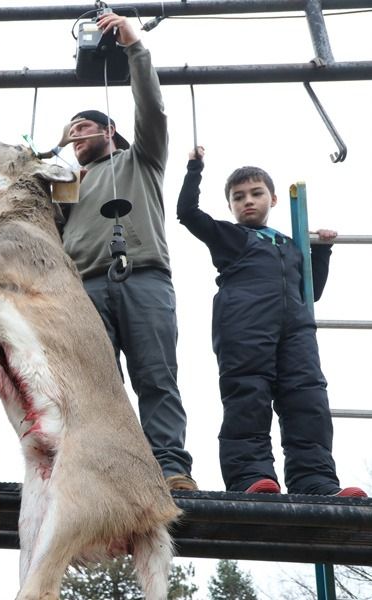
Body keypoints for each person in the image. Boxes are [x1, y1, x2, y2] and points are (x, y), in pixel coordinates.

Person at [176, 146, 367, 497]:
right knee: (249, 397)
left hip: (295, 330)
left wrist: (321, 251)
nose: (247, 201)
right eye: (238, 197)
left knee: (307, 399)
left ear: (273, 199)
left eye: (256, 193)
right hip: (244, 328)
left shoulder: (289, 245)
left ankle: (315, 481)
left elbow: (312, 292)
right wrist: (194, 168)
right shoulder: (231, 237)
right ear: (230, 206)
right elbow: (187, 213)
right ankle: (250, 476)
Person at [58, 13, 196, 491]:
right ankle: (107, 476)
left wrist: (135, 47)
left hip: (144, 277)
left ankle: (170, 467)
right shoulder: (67, 187)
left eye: (82, 127)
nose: (75, 137)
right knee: (94, 387)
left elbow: (152, 109)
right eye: (70, 133)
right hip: (84, 289)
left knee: (156, 377)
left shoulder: (141, 159)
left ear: (109, 129)